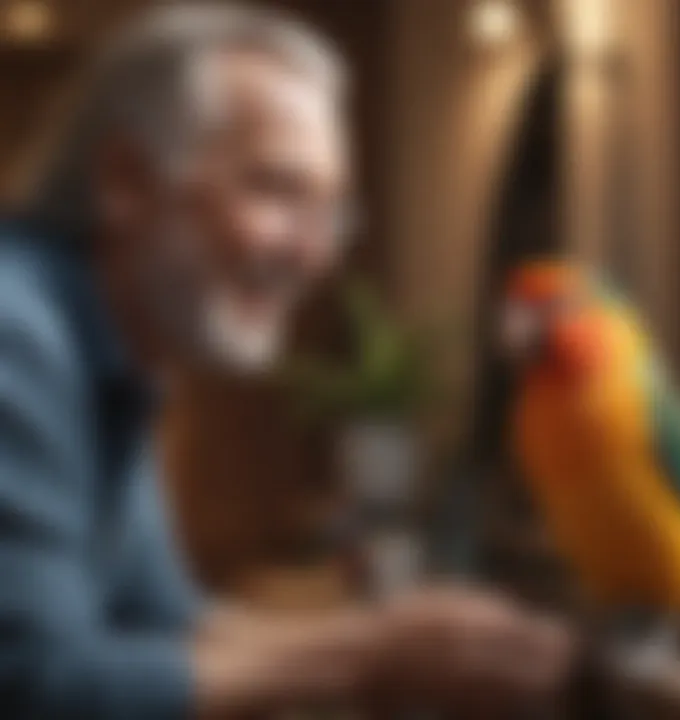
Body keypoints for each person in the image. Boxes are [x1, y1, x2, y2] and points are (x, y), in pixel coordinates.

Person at [0, 3, 575, 718]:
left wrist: (419, 642)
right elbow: (38, 686)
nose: (316, 254)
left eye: (331, 211)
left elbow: (173, 627)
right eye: (276, 189)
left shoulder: (113, 356)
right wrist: (373, 655)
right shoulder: (18, 334)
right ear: (126, 180)